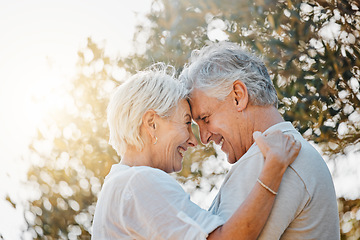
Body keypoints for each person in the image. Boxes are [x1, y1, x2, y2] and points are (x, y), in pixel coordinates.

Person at [91, 63, 301, 240]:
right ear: (151, 123)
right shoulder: (139, 182)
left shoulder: (119, 184)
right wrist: (274, 167)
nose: (194, 141)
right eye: (186, 123)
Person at [180, 41, 340, 239]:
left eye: (205, 118)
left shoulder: (267, 157)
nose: (203, 138)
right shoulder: (294, 151)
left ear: (238, 96)